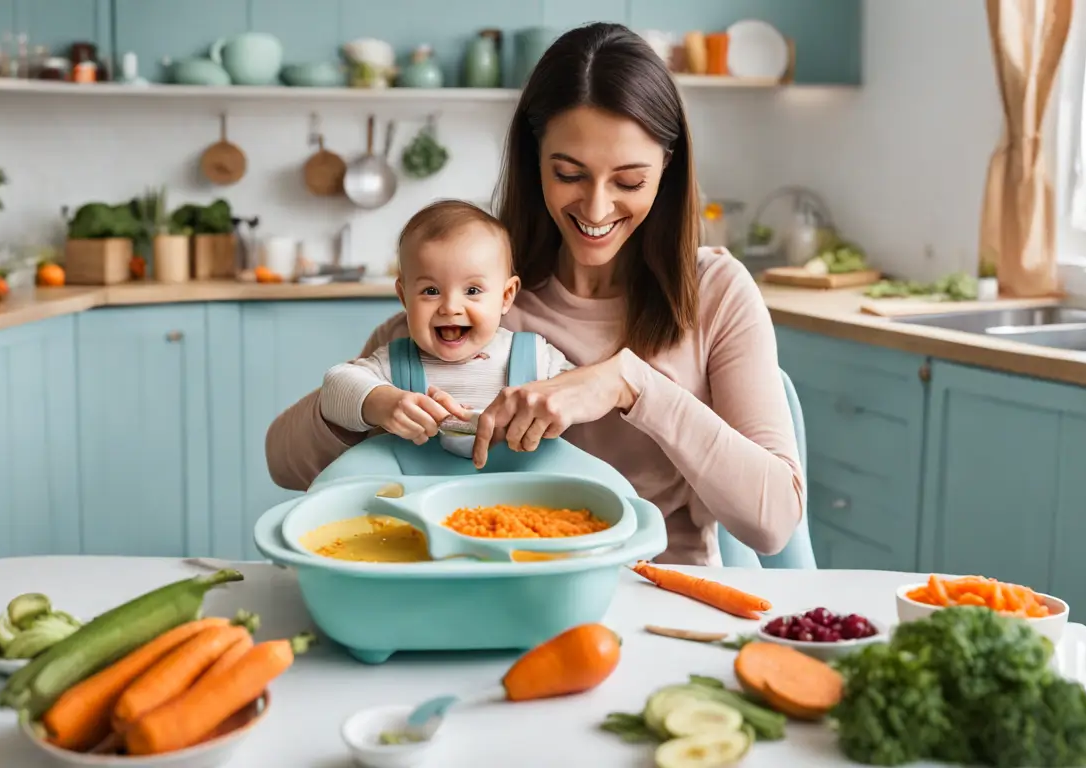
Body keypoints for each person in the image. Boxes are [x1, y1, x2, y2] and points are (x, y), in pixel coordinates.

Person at [265, 22, 804, 565]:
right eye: (569, 173)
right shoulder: (471, 291)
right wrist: (370, 403)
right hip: (490, 580)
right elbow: (285, 464)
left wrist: (631, 384)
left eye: (628, 182)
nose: (595, 209)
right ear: (534, 158)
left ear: (668, 166)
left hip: (658, 591)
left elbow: (773, 523)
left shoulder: (715, 292)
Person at [319, 199, 574, 443]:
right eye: (431, 291)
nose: (451, 308)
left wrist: (548, 405)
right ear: (404, 297)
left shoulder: (536, 358)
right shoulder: (394, 364)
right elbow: (333, 389)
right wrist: (383, 402)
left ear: (506, 296)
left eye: (472, 291)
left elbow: (579, 391)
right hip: (420, 486)